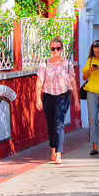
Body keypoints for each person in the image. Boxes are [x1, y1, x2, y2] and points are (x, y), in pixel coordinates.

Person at [34, 36, 79, 165]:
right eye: (53, 49)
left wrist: (76, 100)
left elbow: (73, 82)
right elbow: (39, 82)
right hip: (48, 96)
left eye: (58, 48)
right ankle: (53, 148)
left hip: (62, 96)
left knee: (59, 123)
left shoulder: (68, 64)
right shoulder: (45, 64)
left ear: (62, 49)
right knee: (51, 124)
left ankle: (59, 153)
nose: (55, 51)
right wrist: (38, 98)